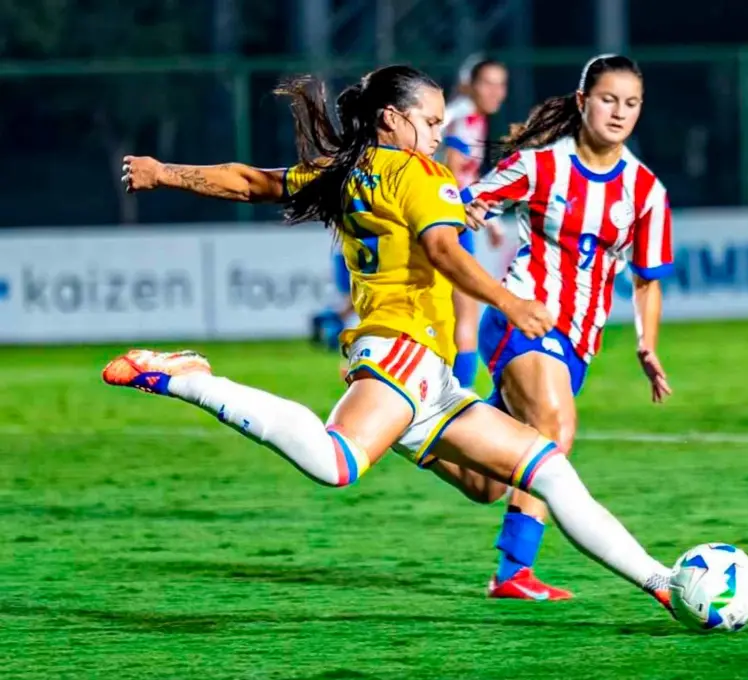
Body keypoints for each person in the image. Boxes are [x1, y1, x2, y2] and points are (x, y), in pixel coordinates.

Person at [112, 64, 674, 613]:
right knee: (336, 462)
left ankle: (664, 583)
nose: (438, 134)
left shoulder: (344, 169)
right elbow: (445, 251)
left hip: (430, 384)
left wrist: (164, 172)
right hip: (400, 352)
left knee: (538, 471)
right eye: (429, 123)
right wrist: (512, 303)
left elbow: (252, 182)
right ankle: (194, 381)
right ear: (390, 119)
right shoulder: (420, 176)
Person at [463, 55, 675, 600]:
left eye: (631, 103)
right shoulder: (538, 167)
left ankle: (407, 418)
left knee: (487, 479)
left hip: (578, 343)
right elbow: (465, 210)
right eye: (608, 99)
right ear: (582, 102)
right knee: (556, 426)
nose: (619, 112)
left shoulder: (646, 192)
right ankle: (513, 572)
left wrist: (646, 344)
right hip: (522, 318)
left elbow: (647, 280)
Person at [439, 58, 509, 390]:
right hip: (448, 222)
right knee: (466, 314)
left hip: (434, 216)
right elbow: (452, 169)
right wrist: (465, 211)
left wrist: (492, 223)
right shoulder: (465, 117)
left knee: (449, 314)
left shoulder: (458, 113)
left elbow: (465, 171)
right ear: (470, 84)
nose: (497, 92)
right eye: (488, 83)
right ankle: (459, 400)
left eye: (501, 84)